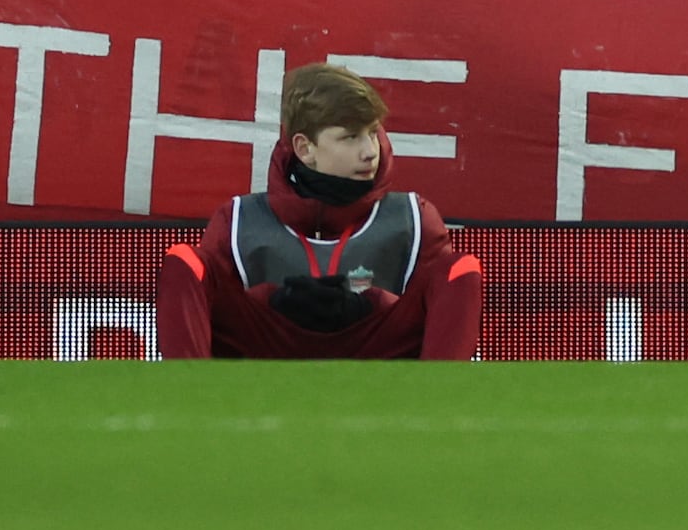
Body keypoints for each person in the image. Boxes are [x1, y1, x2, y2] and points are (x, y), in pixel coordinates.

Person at [154, 60, 485, 359]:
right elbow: (211, 308)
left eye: (372, 133)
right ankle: (190, 395)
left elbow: (436, 310)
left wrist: (372, 301)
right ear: (305, 148)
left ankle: (437, 398)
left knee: (460, 269)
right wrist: (271, 299)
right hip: (268, 347)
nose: (370, 152)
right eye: (351, 137)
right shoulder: (238, 220)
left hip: (376, 348)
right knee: (185, 261)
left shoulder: (414, 218)